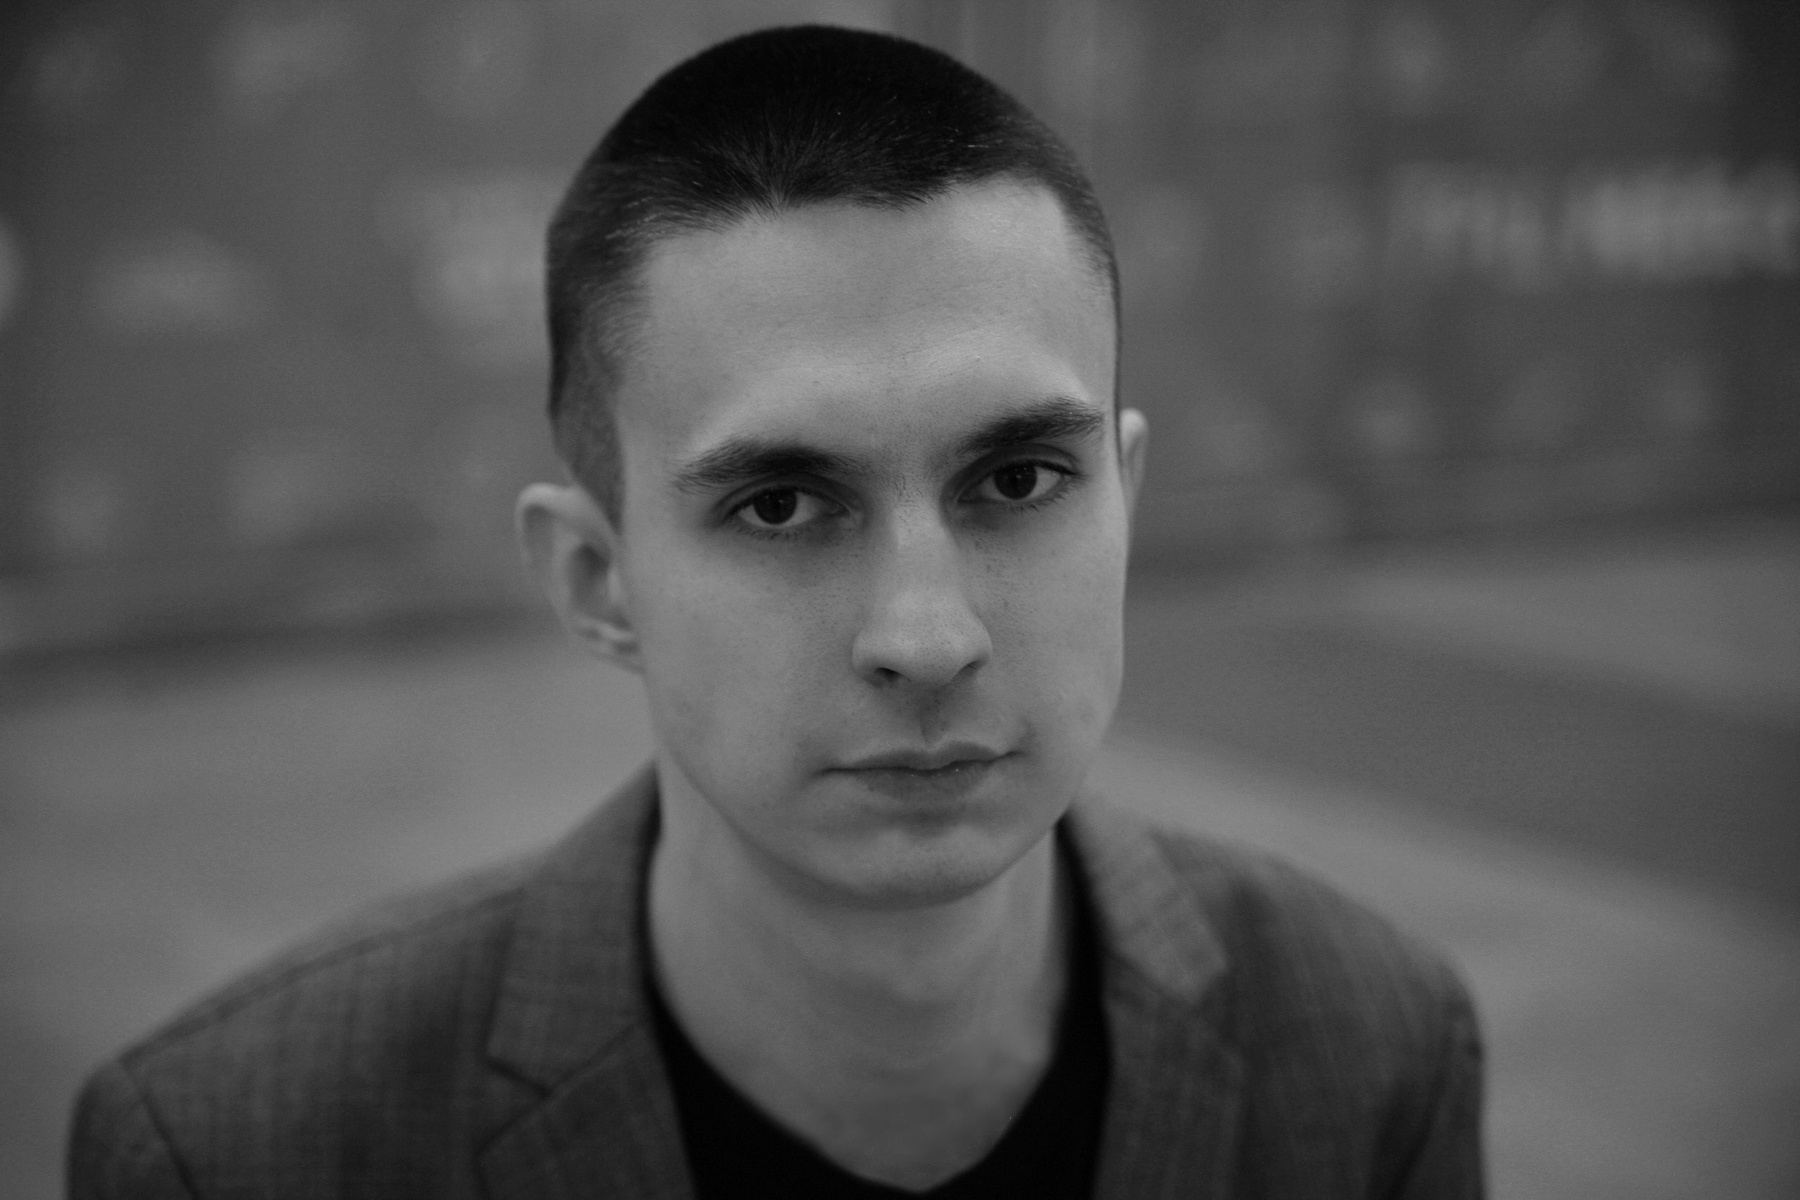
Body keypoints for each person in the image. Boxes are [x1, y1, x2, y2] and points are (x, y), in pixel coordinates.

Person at [68, 25, 1483, 1199]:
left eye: (1018, 479)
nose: (928, 639)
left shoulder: (1372, 1049)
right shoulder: (240, 1151)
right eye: (782, 505)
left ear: (1125, 497)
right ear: (597, 581)